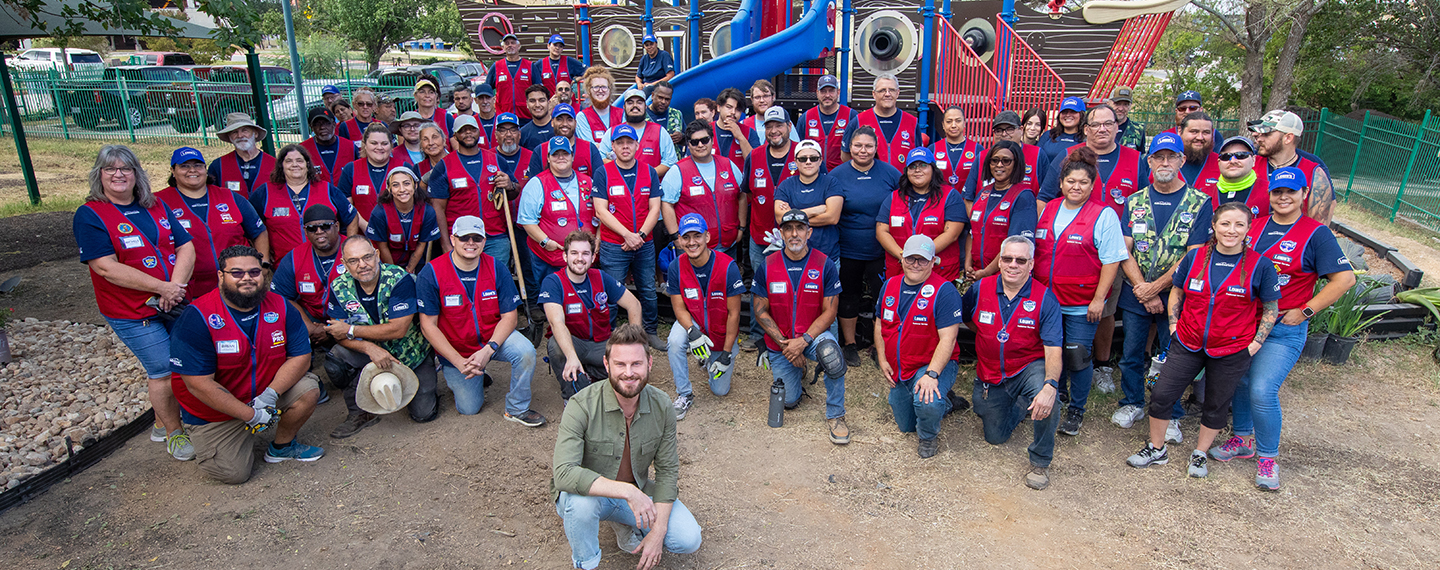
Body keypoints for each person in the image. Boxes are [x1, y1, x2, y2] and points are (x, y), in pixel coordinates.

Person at [1210, 167, 1355, 490]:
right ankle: (1242, 439)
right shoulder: (1254, 227)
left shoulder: (1316, 234)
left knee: (1262, 389)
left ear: (1304, 194)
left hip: (1281, 329)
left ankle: (1268, 456)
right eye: (1277, 192)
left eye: (1291, 192)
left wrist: (1306, 310)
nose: (1284, 198)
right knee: (1240, 381)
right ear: (1270, 196)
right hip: (1244, 323)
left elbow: (1344, 279)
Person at [1126, 202, 1280, 479]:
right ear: (1214, 226)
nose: (1231, 230)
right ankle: (1156, 448)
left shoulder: (1260, 265)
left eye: (1239, 225)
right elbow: (1177, 291)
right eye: (1225, 224)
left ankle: (1200, 453)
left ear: (1248, 229)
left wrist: (1256, 343)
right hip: (1188, 341)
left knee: (1216, 403)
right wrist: (1174, 324)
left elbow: (1271, 307)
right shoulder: (1195, 258)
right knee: (1162, 396)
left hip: (1232, 347)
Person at [75, 144, 197, 461]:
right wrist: (162, 287)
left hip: (174, 300)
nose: (119, 174)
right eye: (110, 169)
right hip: (132, 311)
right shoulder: (91, 215)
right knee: (163, 369)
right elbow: (105, 267)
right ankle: (174, 433)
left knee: (187, 359)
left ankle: (160, 423)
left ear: (136, 174)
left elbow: (186, 246)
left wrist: (176, 287)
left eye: (126, 168)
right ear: (99, 175)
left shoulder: (154, 206)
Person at [551, 323, 702, 570]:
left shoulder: (663, 405)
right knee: (579, 505)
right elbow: (564, 473)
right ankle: (585, 564)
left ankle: (623, 522)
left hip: (636, 491)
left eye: (636, 364)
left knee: (688, 539)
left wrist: (658, 531)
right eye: (620, 364)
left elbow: (667, 472)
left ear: (649, 364)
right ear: (607, 364)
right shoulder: (581, 405)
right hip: (592, 496)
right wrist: (628, 492)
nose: (628, 372)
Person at [170, 245, 323, 483]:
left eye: (254, 272)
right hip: (215, 413)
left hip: (261, 395)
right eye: (237, 273)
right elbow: (199, 384)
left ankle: (281, 447)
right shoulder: (197, 316)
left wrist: (271, 395)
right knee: (233, 474)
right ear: (221, 276)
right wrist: (249, 415)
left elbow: (301, 356)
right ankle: (220, 434)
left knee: (309, 388)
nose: (247, 279)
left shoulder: (281, 306)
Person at [1111, 133, 1212, 442]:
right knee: (1130, 353)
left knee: (1174, 358)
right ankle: (1132, 403)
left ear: (1182, 160)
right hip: (1135, 293)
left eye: (1172, 157)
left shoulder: (1199, 203)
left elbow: (1195, 254)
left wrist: (1156, 288)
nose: (1165, 162)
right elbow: (1124, 248)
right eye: (1159, 157)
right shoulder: (1135, 200)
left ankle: (1171, 415)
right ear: (1150, 161)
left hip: (1178, 295)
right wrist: (1142, 286)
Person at [1039, 104, 1148, 383]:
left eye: (1108, 124)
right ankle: (1055, 370)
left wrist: (1131, 239)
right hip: (1069, 247)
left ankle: (1102, 366)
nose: (1102, 129)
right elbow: (1044, 197)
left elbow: (1145, 203)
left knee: (1105, 310)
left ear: (1117, 126)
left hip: (1119, 250)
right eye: (1096, 124)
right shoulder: (1066, 157)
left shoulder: (1136, 160)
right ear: (1085, 129)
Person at [1033, 147, 1128, 437]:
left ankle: (1077, 409)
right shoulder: (1050, 209)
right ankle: (1058, 397)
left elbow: (1112, 259)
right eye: (1070, 181)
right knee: (1054, 352)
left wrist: (1099, 298)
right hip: (1049, 301)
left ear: (1092, 185)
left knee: (1077, 355)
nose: (1076, 187)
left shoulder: (1104, 214)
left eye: (1083, 182)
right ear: (1061, 183)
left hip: (1081, 302)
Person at [415, 215, 545, 425]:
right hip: (458, 352)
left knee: (526, 352)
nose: (471, 243)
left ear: (485, 241)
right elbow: (428, 326)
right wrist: (458, 362)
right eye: (465, 238)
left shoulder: (496, 267)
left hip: (493, 340)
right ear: (453, 239)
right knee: (469, 409)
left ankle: (517, 408)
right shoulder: (432, 272)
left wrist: (488, 350)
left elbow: (510, 317)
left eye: (477, 238)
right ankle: (470, 374)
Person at [963, 236, 1063, 487]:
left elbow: (1053, 350)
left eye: (1021, 260)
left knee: (1049, 396)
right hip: (991, 373)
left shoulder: (1045, 298)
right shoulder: (978, 289)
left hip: (1028, 367)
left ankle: (1040, 462)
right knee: (994, 438)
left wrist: (1050, 386)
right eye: (1007, 259)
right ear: (999, 261)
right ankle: (1021, 405)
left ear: (1031, 265)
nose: (1013, 265)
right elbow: (968, 321)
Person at [319, 238, 437, 438]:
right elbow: (337, 332)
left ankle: (428, 380)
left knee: (423, 414)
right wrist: (368, 348)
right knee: (335, 360)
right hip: (369, 353)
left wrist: (352, 330)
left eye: (366, 257)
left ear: (377, 254)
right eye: (354, 261)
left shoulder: (399, 278)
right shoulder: (338, 287)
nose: (362, 265)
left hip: (410, 354)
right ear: (344, 264)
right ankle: (360, 413)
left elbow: (398, 329)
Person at [752, 210, 849, 444]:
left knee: (832, 356)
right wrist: (787, 346)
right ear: (781, 233)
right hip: (782, 342)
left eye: (799, 228)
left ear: (809, 232)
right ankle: (798, 369)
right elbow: (759, 311)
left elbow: (830, 312)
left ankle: (836, 415)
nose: (794, 234)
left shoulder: (824, 264)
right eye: (788, 229)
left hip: (812, 337)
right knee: (789, 401)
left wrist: (803, 341)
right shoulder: (767, 265)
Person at [875, 235, 961, 458]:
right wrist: (883, 360)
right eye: (911, 258)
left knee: (927, 402)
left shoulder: (945, 291)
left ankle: (928, 436)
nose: (915, 264)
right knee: (906, 426)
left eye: (922, 260)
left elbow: (948, 339)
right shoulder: (889, 286)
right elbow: (879, 324)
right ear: (901, 258)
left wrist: (932, 374)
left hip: (930, 365)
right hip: (901, 367)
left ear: (933, 262)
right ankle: (946, 402)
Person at [540, 230, 643, 398]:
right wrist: (572, 357)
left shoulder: (601, 277)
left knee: (624, 384)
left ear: (593, 257)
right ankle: (570, 397)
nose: (580, 258)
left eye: (585, 253)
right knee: (556, 347)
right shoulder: (553, 282)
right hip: (573, 344)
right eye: (574, 253)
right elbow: (556, 322)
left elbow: (634, 305)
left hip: (602, 343)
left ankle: (591, 371)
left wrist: (634, 344)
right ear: (565, 256)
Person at [831, 125, 902, 366]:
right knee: (848, 296)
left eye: (868, 146)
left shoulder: (891, 174)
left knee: (883, 298)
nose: (863, 150)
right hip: (847, 248)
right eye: (858, 145)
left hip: (882, 250)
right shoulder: (837, 175)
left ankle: (879, 343)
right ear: (849, 147)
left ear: (876, 148)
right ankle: (850, 344)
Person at [156, 147, 269, 297]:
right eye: (184, 166)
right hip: (189, 289)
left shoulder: (229, 197)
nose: (192, 170)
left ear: (205, 169)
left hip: (238, 285)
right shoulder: (159, 202)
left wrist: (263, 264)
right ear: (173, 170)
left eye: (198, 165)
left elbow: (258, 231)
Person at [592, 124, 666, 349]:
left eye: (629, 142)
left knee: (647, 290)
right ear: (612, 146)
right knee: (611, 291)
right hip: (614, 245)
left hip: (645, 243)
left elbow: (655, 208)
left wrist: (640, 235)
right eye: (620, 143)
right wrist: (627, 235)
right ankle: (609, 335)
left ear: (637, 145)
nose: (625, 147)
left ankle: (649, 331)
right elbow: (600, 210)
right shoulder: (603, 172)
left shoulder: (649, 171)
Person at [666, 214, 744, 419]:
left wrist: (726, 354)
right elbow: (678, 307)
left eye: (697, 236)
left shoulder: (728, 266)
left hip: (721, 329)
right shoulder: (675, 267)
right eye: (686, 237)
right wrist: (692, 331)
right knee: (674, 341)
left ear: (707, 237)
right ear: (680, 240)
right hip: (693, 322)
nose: (692, 242)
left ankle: (709, 359)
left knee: (720, 391)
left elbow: (734, 314)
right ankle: (684, 394)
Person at [519, 136, 599, 300]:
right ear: (548, 158)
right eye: (555, 154)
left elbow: (601, 215)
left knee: (583, 300)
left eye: (565, 153)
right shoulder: (537, 184)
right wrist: (545, 242)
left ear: (572, 156)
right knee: (554, 299)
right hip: (550, 257)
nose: (561, 157)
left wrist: (598, 239)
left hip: (583, 257)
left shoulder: (588, 182)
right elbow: (527, 221)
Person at [427, 114, 515, 261]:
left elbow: (513, 192)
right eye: (463, 130)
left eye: (472, 129)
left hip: (494, 236)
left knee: (493, 280)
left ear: (478, 131)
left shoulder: (496, 159)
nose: (468, 133)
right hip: (461, 237)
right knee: (463, 282)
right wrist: (446, 244)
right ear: (455, 135)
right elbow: (438, 208)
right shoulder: (444, 166)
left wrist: (510, 185)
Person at [249, 144, 358, 262]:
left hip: (329, 261)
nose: (294, 164)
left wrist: (348, 248)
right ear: (281, 165)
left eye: (299, 160)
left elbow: (351, 217)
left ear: (307, 164)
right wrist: (262, 254)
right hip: (285, 264)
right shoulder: (265, 192)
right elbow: (250, 225)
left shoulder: (326, 189)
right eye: (289, 161)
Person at [876, 147, 966, 282]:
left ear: (933, 169)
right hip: (900, 271)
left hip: (939, 272)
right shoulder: (894, 197)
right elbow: (881, 231)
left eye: (923, 165)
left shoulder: (950, 196)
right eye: (912, 166)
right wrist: (905, 257)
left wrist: (921, 255)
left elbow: (952, 234)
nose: (917, 170)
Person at [662, 121, 747, 258]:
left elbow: (742, 195)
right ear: (688, 145)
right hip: (692, 248)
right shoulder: (677, 171)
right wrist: (675, 236)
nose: (700, 145)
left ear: (712, 140)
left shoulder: (728, 165)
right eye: (695, 142)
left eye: (704, 140)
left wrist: (741, 227)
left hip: (727, 245)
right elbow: (666, 203)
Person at [271, 206, 346, 358]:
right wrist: (309, 327)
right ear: (305, 231)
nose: (319, 232)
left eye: (325, 226)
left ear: (336, 226)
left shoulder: (355, 251)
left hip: (350, 318)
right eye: (312, 229)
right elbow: (280, 297)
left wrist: (332, 329)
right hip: (312, 317)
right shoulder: (294, 257)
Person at [743, 106, 801, 289]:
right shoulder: (754, 156)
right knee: (760, 287)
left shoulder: (804, 155)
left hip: (795, 237)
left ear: (789, 126)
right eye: (769, 126)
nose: (774, 131)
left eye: (779, 125)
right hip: (761, 237)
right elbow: (748, 192)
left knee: (792, 289)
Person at [963, 140, 1037, 280]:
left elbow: (1015, 244)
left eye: (1006, 161)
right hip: (977, 274)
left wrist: (987, 272)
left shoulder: (1023, 196)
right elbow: (972, 232)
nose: (999, 165)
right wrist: (968, 264)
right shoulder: (983, 193)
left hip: (1005, 276)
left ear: (1017, 163)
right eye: (994, 160)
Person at [1250, 110, 1335, 224]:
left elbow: (1318, 226)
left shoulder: (1313, 172)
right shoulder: (1251, 164)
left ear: (1288, 138)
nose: (1259, 139)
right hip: (1252, 237)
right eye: (1259, 134)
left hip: (1294, 239)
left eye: (1266, 134)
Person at [334, 123, 412, 235]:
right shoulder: (350, 169)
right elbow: (347, 207)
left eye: (384, 143)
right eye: (374, 143)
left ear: (391, 145)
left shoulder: (404, 168)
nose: (379, 147)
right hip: (363, 235)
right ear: (365, 144)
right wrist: (366, 227)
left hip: (399, 235)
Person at [964, 110, 1047, 212]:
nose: (1004, 134)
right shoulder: (982, 156)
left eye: (1010, 129)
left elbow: (1045, 196)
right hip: (986, 222)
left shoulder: (1037, 155)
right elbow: (968, 197)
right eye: (999, 130)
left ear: (1021, 129)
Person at [774, 139, 842, 260]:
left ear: (820, 160)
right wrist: (817, 210)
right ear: (795, 161)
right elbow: (780, 218)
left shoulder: (831, 183)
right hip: (794, 256)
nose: (808, 162)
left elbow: (832, 217)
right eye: (803, 159)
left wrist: (793, 215)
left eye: (814, 158)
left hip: (827, 255)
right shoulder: (786, 185)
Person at [366, 166, 440, 274]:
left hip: (416, 261)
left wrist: (409, 269)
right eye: (395, 185)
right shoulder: (380, 212)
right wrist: (394, 273)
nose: (402, 189)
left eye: (406, 183)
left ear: (415, 185)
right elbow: (383, 247)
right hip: (386, 263)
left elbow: (421, 244)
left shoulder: (427, 211)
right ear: (389, 189)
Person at [842, 74, 920, 171]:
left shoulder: (911, 122)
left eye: (891, 90)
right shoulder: (859, 121)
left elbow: (918, 156)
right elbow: (845, 156)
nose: (887, 94)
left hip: (903, 184)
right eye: (882, 90)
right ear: (874, 94)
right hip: (870, 183)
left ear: (898, 93)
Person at [595, 87, 678, 177]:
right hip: (619, 187)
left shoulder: (660, 131)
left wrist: (646, 175)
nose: (635, 106)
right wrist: (623, 169)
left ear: (645, 106)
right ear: (624, 107)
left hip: (650, 188)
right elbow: (600, 157)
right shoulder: (612, 131)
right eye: (630, 103)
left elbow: (670, 162)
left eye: (639, 102)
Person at [529, 103, 605, 179]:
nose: (565, 124)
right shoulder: (540, 151)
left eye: (569, 120)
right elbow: (534, 184)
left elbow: (599, 181)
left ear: (575, 123)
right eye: (559, 119)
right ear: (552, 122)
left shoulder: (590, 149)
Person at [209, 112, 275, 198]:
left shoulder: (274, 164)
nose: (240, 135)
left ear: (255, 133)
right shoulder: (218, 166)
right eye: (234, 132)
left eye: (245, 130)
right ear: (229, 137)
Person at [801, 74, 858, 172]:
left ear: (838, 92)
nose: (827, 95)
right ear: (817, 93)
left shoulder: (851, 116)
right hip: (814, 175)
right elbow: (798, 148)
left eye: (831, 91)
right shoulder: (806, 117)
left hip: (842, 175)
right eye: (823, 91)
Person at [1210, 135, 1272, 215]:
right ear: (1219, 162)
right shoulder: (1204, 194)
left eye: (1241, 155)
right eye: (1226, 156)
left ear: (1253, 160)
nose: (1233, 161)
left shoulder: (1270, 192)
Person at [298, 107, 357, 183]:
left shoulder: (350, 146)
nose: (322, 127)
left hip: (344, 194)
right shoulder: (303, 149)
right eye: (317, 124)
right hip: (316, 194)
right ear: (311, 128)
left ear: (334, 124)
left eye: (326, 123)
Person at [932, 106, 980, 193]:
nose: (953, 125)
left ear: (964, 123)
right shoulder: (933, 149)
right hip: (940, 202)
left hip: (967, 203)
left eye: (958, 121)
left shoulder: (977, 150)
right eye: (949, 121)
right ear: (943, 125)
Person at [486, 32, 533, 116]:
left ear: (519, 46)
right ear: (503, 47)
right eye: (507, 43)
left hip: (526, 116)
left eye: (513, 43)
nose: (510, 45)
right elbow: (487, 90)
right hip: (503, 115)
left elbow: (538, 90)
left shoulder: (530, 66)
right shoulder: (496, 66)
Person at [1175, 111, 1220, 198]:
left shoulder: (1221, 163)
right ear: (1180, 131)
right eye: (1194, 131)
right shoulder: (1161, 161)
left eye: (1206, 132)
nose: (1200, 137)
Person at [534, 34, 586, 105]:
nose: (557, 48)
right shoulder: (540, 64)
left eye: (560, 46)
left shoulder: (569, 61)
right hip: (549, 104)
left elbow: (589, 71)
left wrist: (575, 80)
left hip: (568, 103)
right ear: (548, 46)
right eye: (555, 45)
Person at [575, 67, 621, 146]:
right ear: (589, 90)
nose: (600, 90)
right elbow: (589, 147)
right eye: (596, 87)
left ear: (610, 90)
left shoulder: (622, 114)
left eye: (604, 87)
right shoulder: (582, 117)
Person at [712, 88, 759, 164]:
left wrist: (740, 137)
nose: (733, 112)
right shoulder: (706, 130)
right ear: (718, 107)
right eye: (729, 107)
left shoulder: (749, 132)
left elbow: (756, 163)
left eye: (738, 109)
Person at [646, 81, 686, 152]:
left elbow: (689, 140)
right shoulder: (642, 115)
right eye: (660, 98)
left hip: (673, 162)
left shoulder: (676, 114)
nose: (663, 102)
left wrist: (681, 137)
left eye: (667, 99)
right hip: (650, 161)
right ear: (652, 95)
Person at [520, 84, 557, 150]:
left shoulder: (560, 128)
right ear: (527, 104)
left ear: (548, 103)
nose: (537, 105)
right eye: (532, 101)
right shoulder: (522, 133)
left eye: (541, 100)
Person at [1110, 87, 1146, 153]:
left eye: (1125, 104)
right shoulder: (1100, 127)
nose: (1121, 108)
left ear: (1130, 106)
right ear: (1109, 103)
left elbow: (1141, 158)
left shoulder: (1138, 130)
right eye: (1117, 104)